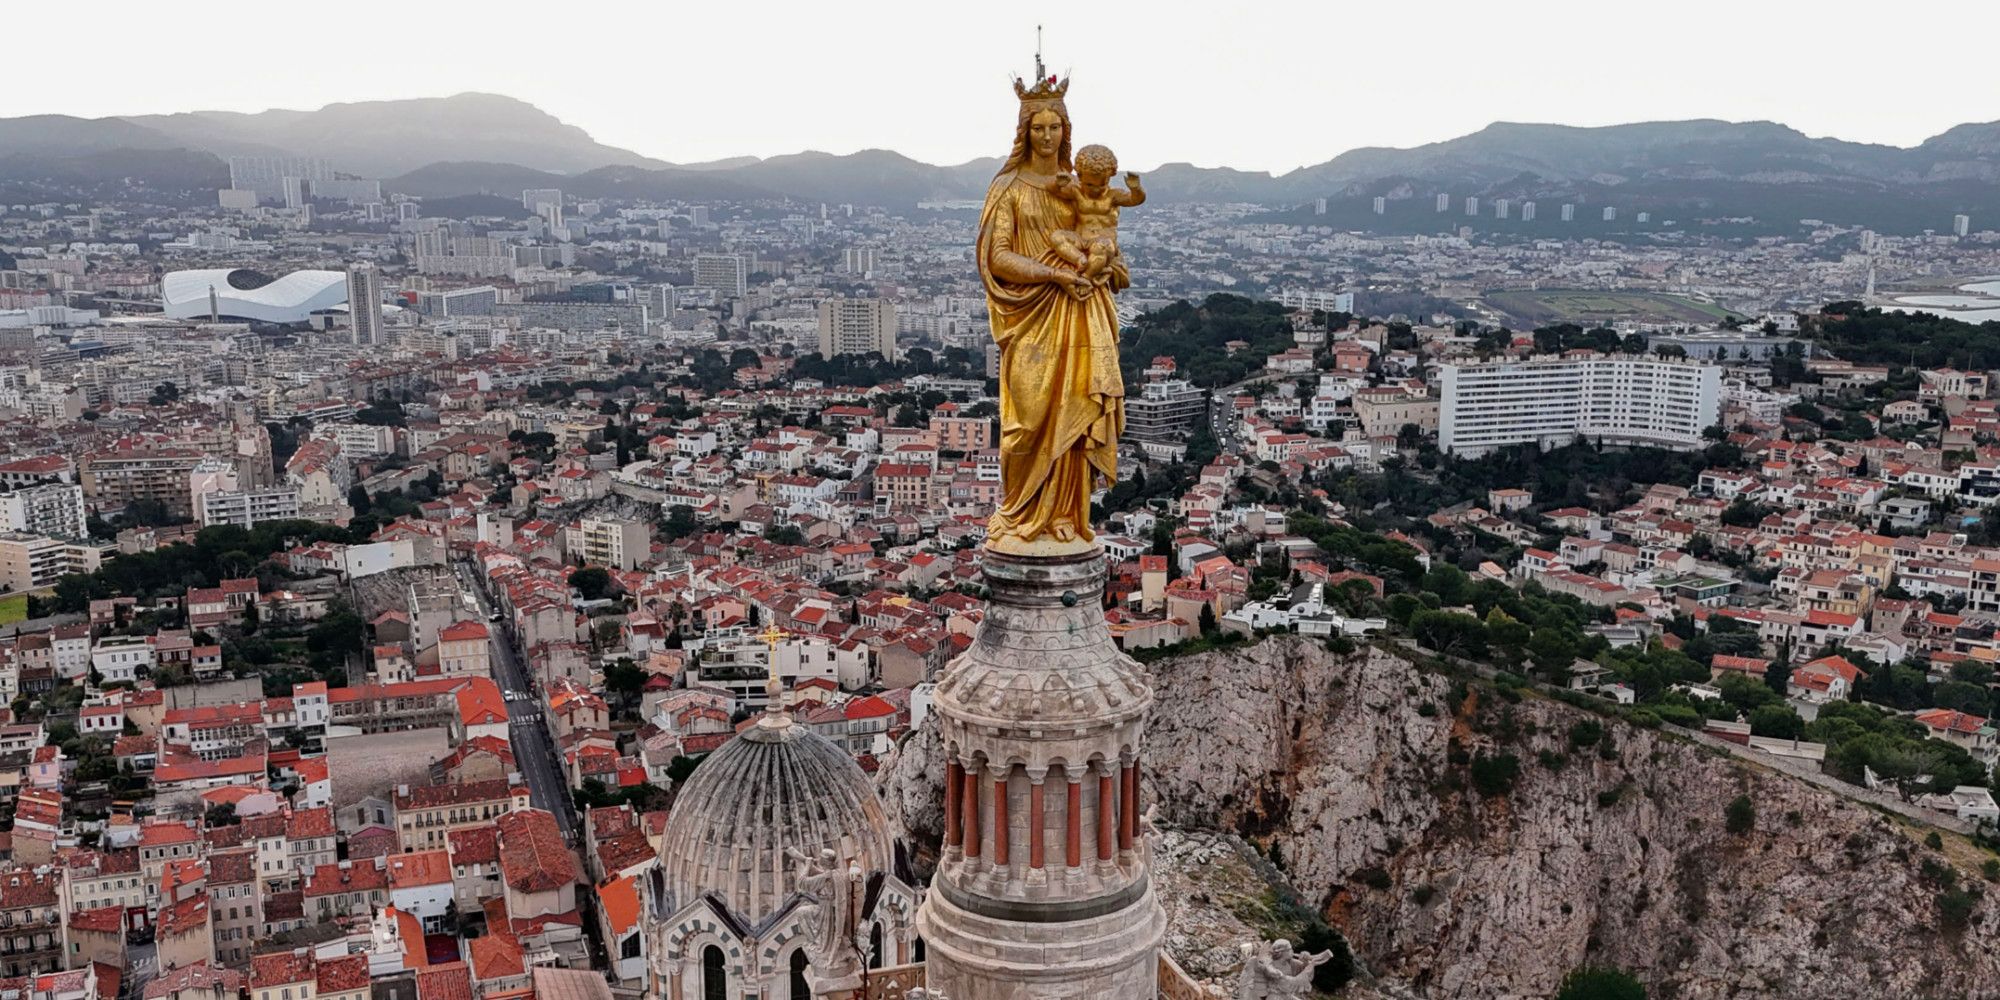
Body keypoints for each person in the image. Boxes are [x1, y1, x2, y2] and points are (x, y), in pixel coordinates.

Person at [977, 73, 1132, 553]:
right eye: (1038, 127)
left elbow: (1105, 242)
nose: (1047, 136)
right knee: (1024, 424)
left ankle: (1064, 515)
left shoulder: (1080, 188)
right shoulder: (1009, 188)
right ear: (1025, 131)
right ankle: (1021, 512)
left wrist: (1104, 269)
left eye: (1055, 127)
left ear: (1067, 130)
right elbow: (997, 256)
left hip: (1082, 313)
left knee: (1075, 411)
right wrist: (1056, 275)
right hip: (1033, 315)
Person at [1049, 143, 1145, 283]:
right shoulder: (1077, 192)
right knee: (1057, 237)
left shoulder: (1113, 195)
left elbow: (1134, 200)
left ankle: (1086, 277)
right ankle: (1079, 259)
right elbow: (1055, 191)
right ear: (1080, 177)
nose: (1095, 189)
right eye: (1089, 185)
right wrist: (1058, 183)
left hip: (1103, 242)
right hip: (1080, 238)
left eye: (1101, 185)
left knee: (1102, 248)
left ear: (1110, 177)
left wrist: (1136, 189)